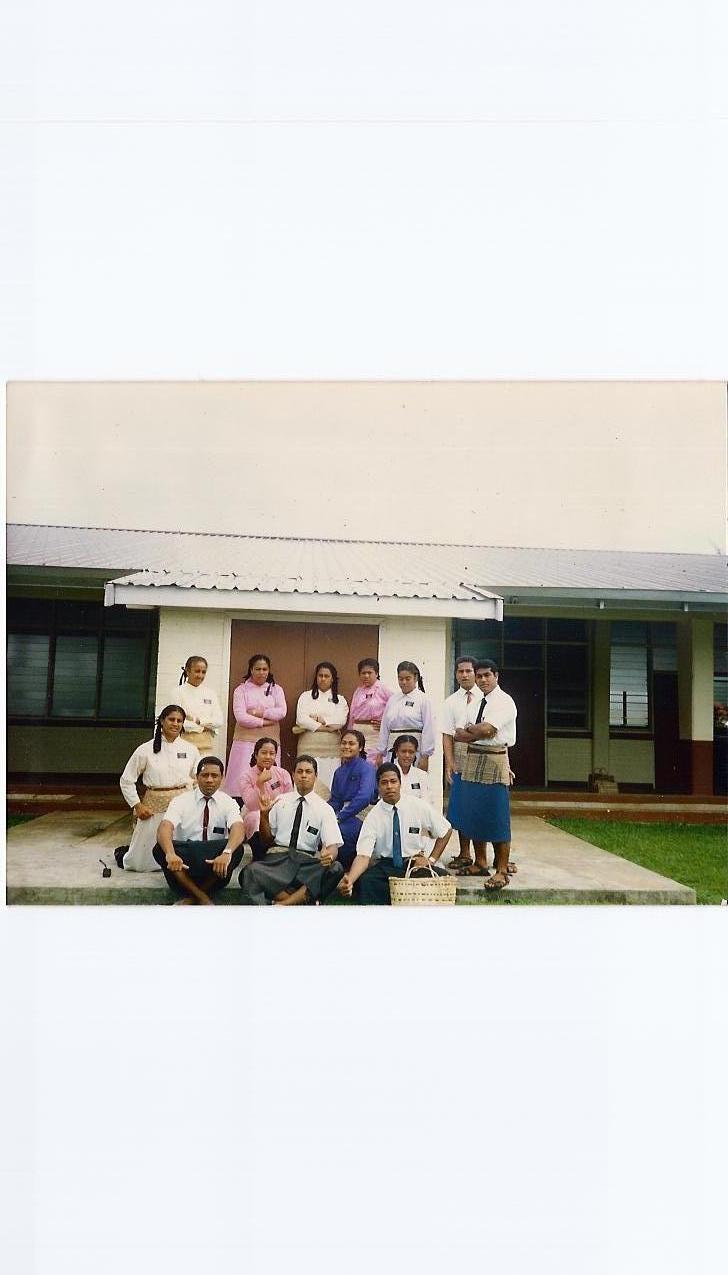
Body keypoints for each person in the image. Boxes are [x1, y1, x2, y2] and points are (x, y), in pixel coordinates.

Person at [337, 764, 452, 905]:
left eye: (393, 781)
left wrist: (431, 860)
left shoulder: (417, 806)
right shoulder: (373, 816)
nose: (389, 786)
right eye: (384, 783)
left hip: (414, 864)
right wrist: (350, 880)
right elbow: (363, 856)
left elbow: (446, 830)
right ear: (378, 787)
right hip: (386, 866)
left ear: (400, 783)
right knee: (366, 881)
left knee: (443, 878)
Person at [239, 756, 344, 906]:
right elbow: (266, 840)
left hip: (306, 863)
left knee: (335, 868)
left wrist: (330, 856)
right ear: (293, 775)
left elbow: (332, 846)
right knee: (249, 872)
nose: (303, 775)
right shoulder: (280, 801)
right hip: (277, 860)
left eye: (308, 772)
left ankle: (280, 904)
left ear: (315, 776)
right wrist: (264, 815)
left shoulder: (325, 809)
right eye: (299, 772)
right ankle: (300, 901)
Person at [450, 659, 517, 890]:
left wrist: (474, 731)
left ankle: (502, 871)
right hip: (472, 758)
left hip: (494, 759)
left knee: (496, 814)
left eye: (487, 675)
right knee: (474, 812)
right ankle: (480, 862)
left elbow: (488, 730)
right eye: (479, 676)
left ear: (496, 676)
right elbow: (458, 732)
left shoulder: (504, 701)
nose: (483, 680)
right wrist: (476, 732)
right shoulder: (476, 702)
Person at [152, 756, 246, 904]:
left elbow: (238, 827)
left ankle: (192, 898)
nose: (209, 780)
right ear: (197, 777)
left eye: (214, 775)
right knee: (160, 848)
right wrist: (170, 854)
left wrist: (226, 853)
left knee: (237, 849)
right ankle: (203, 898)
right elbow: (165, 827)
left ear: (222, 778)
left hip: (215, 863)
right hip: (185, 862)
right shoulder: (181, 801)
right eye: (204, 775)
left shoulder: (228, 802)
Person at [117, 705, 199, 871]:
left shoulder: (190, 749)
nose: (175, 724)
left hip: (183, 804)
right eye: (171, 719)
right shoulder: (145, 749)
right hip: (154, 806)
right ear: (162, 721)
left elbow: (199, 778)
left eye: (179, 721)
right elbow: (126, 780)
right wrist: (137, 805)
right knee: (140, 862)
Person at [441, 655, 487, 874]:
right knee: (462, 805)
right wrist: (449, 762)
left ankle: (484, 857)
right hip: (460, 754)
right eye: (461, 671)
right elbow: (447, 735)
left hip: (484, 754)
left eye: (469, 671)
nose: (465, 675)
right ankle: (464, 853)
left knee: (481, 806)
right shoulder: (451, 702)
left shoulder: (487, 698)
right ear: (456, 674)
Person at [223, 654, 287, 797]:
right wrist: (265, 722)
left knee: (269, 782)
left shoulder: (276, 690)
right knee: (242, 780)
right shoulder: (241, 690)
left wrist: (259, 712)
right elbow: (241, 717)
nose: (261, 672)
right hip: (245, 742)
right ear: (251, 670)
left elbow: (281, 712)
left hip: (270, 740)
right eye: (257, 669)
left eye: (265, 669)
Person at [294, 661, 349, 798]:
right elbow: (301, 719)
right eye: (320, 675)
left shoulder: (340, 700)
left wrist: (320, 719)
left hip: (331, 750)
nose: (323, 679)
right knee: (306, 782)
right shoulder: (305, 696)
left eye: (326, 676)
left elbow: (340, 721)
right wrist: (325, 728)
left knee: (329, 784)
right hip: (308, 746)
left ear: (332, 679)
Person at [238, 735, 294, 859]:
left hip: (280, 811)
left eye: (271, 753)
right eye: (264, 753)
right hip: (256, 813)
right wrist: (260, 784)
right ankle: (260, 856)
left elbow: (289, 799)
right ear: (256, 754)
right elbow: (251, 805)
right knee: (255, 817)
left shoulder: (283, 773)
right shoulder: (245, 776)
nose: (268, 757)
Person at [328, 729, 377, 870]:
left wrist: (340, 817)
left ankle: (348, 872)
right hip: (343, 814)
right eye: (344, 743)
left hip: (362, 814)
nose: (347, 746)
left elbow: (365, 797)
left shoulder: (367, 768)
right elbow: (335, 800)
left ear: (360, 747)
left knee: (341, 833)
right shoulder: (339, 772)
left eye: (351, 743)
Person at [375, 660, 436, 770]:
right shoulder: (393, 699)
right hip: (393, 749)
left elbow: (429, 728)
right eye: (401, 679)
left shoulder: (423, 699)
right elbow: (385, 727)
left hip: (413, 749)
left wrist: (425, 755)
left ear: (415, 678)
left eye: (407, 679)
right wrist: (380, 752)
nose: (404, 682)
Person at [176, 654, 225, 757]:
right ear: (187, 671)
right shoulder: (177, 692)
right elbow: (179, 722)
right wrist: (204, 728)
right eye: (197, 671)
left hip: (206, 746)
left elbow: (219, 721)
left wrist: (198, 720)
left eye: (203, 672)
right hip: (184, 744)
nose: (200, 675)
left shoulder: (210, 693)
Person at [347, 657, 393, 762]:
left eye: (369, 673)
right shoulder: (358, 691)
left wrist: (386, 724)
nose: (366, 676)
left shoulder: (384, 689)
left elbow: (396, 708)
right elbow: (352, 715)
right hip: (358, 734)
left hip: (374, 735)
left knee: (373, 763)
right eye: (363, 673)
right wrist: (349, 733)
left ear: (376, 673)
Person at [391, 734, 432, 801]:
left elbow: (426, 801)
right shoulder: (388, 774)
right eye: (403, 751)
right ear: (396, 752)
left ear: (415, 753)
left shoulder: (422, 775)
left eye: (411, 752)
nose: (407, 755)